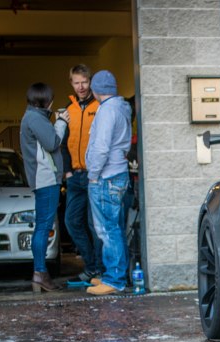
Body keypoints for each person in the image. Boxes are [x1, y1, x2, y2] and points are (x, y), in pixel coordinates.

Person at [85, 70, 132, 296]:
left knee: (107, 229)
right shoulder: (121, 107)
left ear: (95, 90)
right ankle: (115, 274)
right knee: (115, 227)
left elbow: (101, 147)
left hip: (106, 176)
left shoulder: (106, 111)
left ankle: (114, 279)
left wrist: (93, 174)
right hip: (118, 174)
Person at [19, 82, 69, 292]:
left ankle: (40, 274)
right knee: (43, 227)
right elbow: (52, 143)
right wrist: (61, 121)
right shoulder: (35, 118)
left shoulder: (32, 116)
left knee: (42, 226)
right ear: (47, 101)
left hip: (43, 179)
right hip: (46, 179)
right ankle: (40, 273)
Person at [61, 63, 103, 283]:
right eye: (76, 83)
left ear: (90, 82)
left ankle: (99, 270)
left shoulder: (100, 106)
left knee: (94, 225)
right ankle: (91, 265)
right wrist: (67, 172)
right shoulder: (69, 109)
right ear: (71, 83)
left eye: (84, 82)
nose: (81, 87)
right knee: (71, 222)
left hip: (94, 175)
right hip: (75, 177)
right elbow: (62, 143)